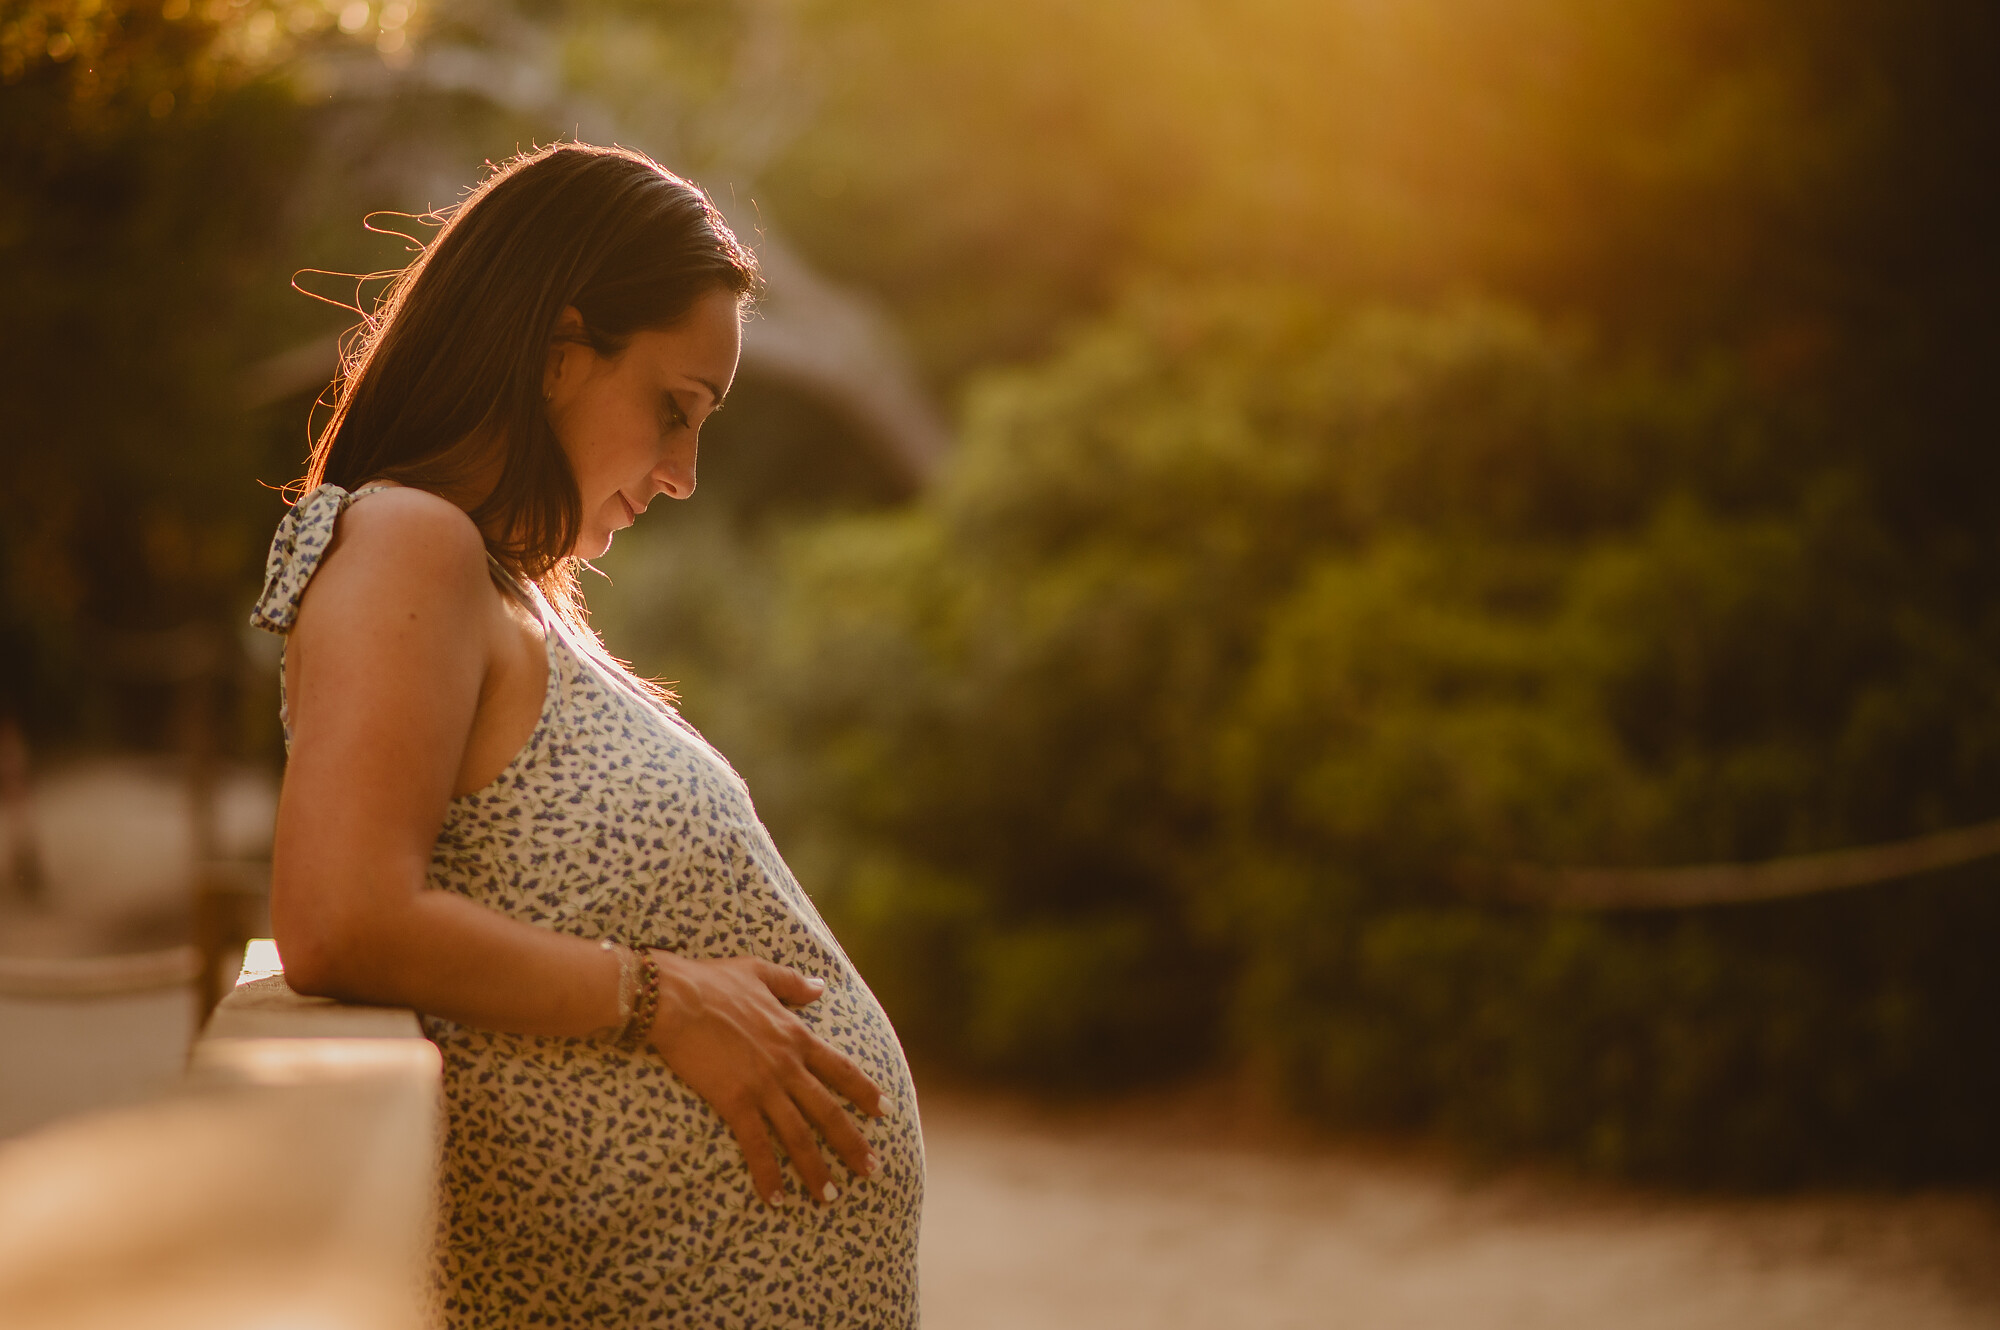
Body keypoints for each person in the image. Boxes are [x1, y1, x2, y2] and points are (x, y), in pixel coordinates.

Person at [251, 142, 922, 1327]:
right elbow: (340, 915)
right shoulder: (411, 541)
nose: (685, 474)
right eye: (674, 408)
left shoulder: (498, 585)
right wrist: (660, 999)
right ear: (558, 351)